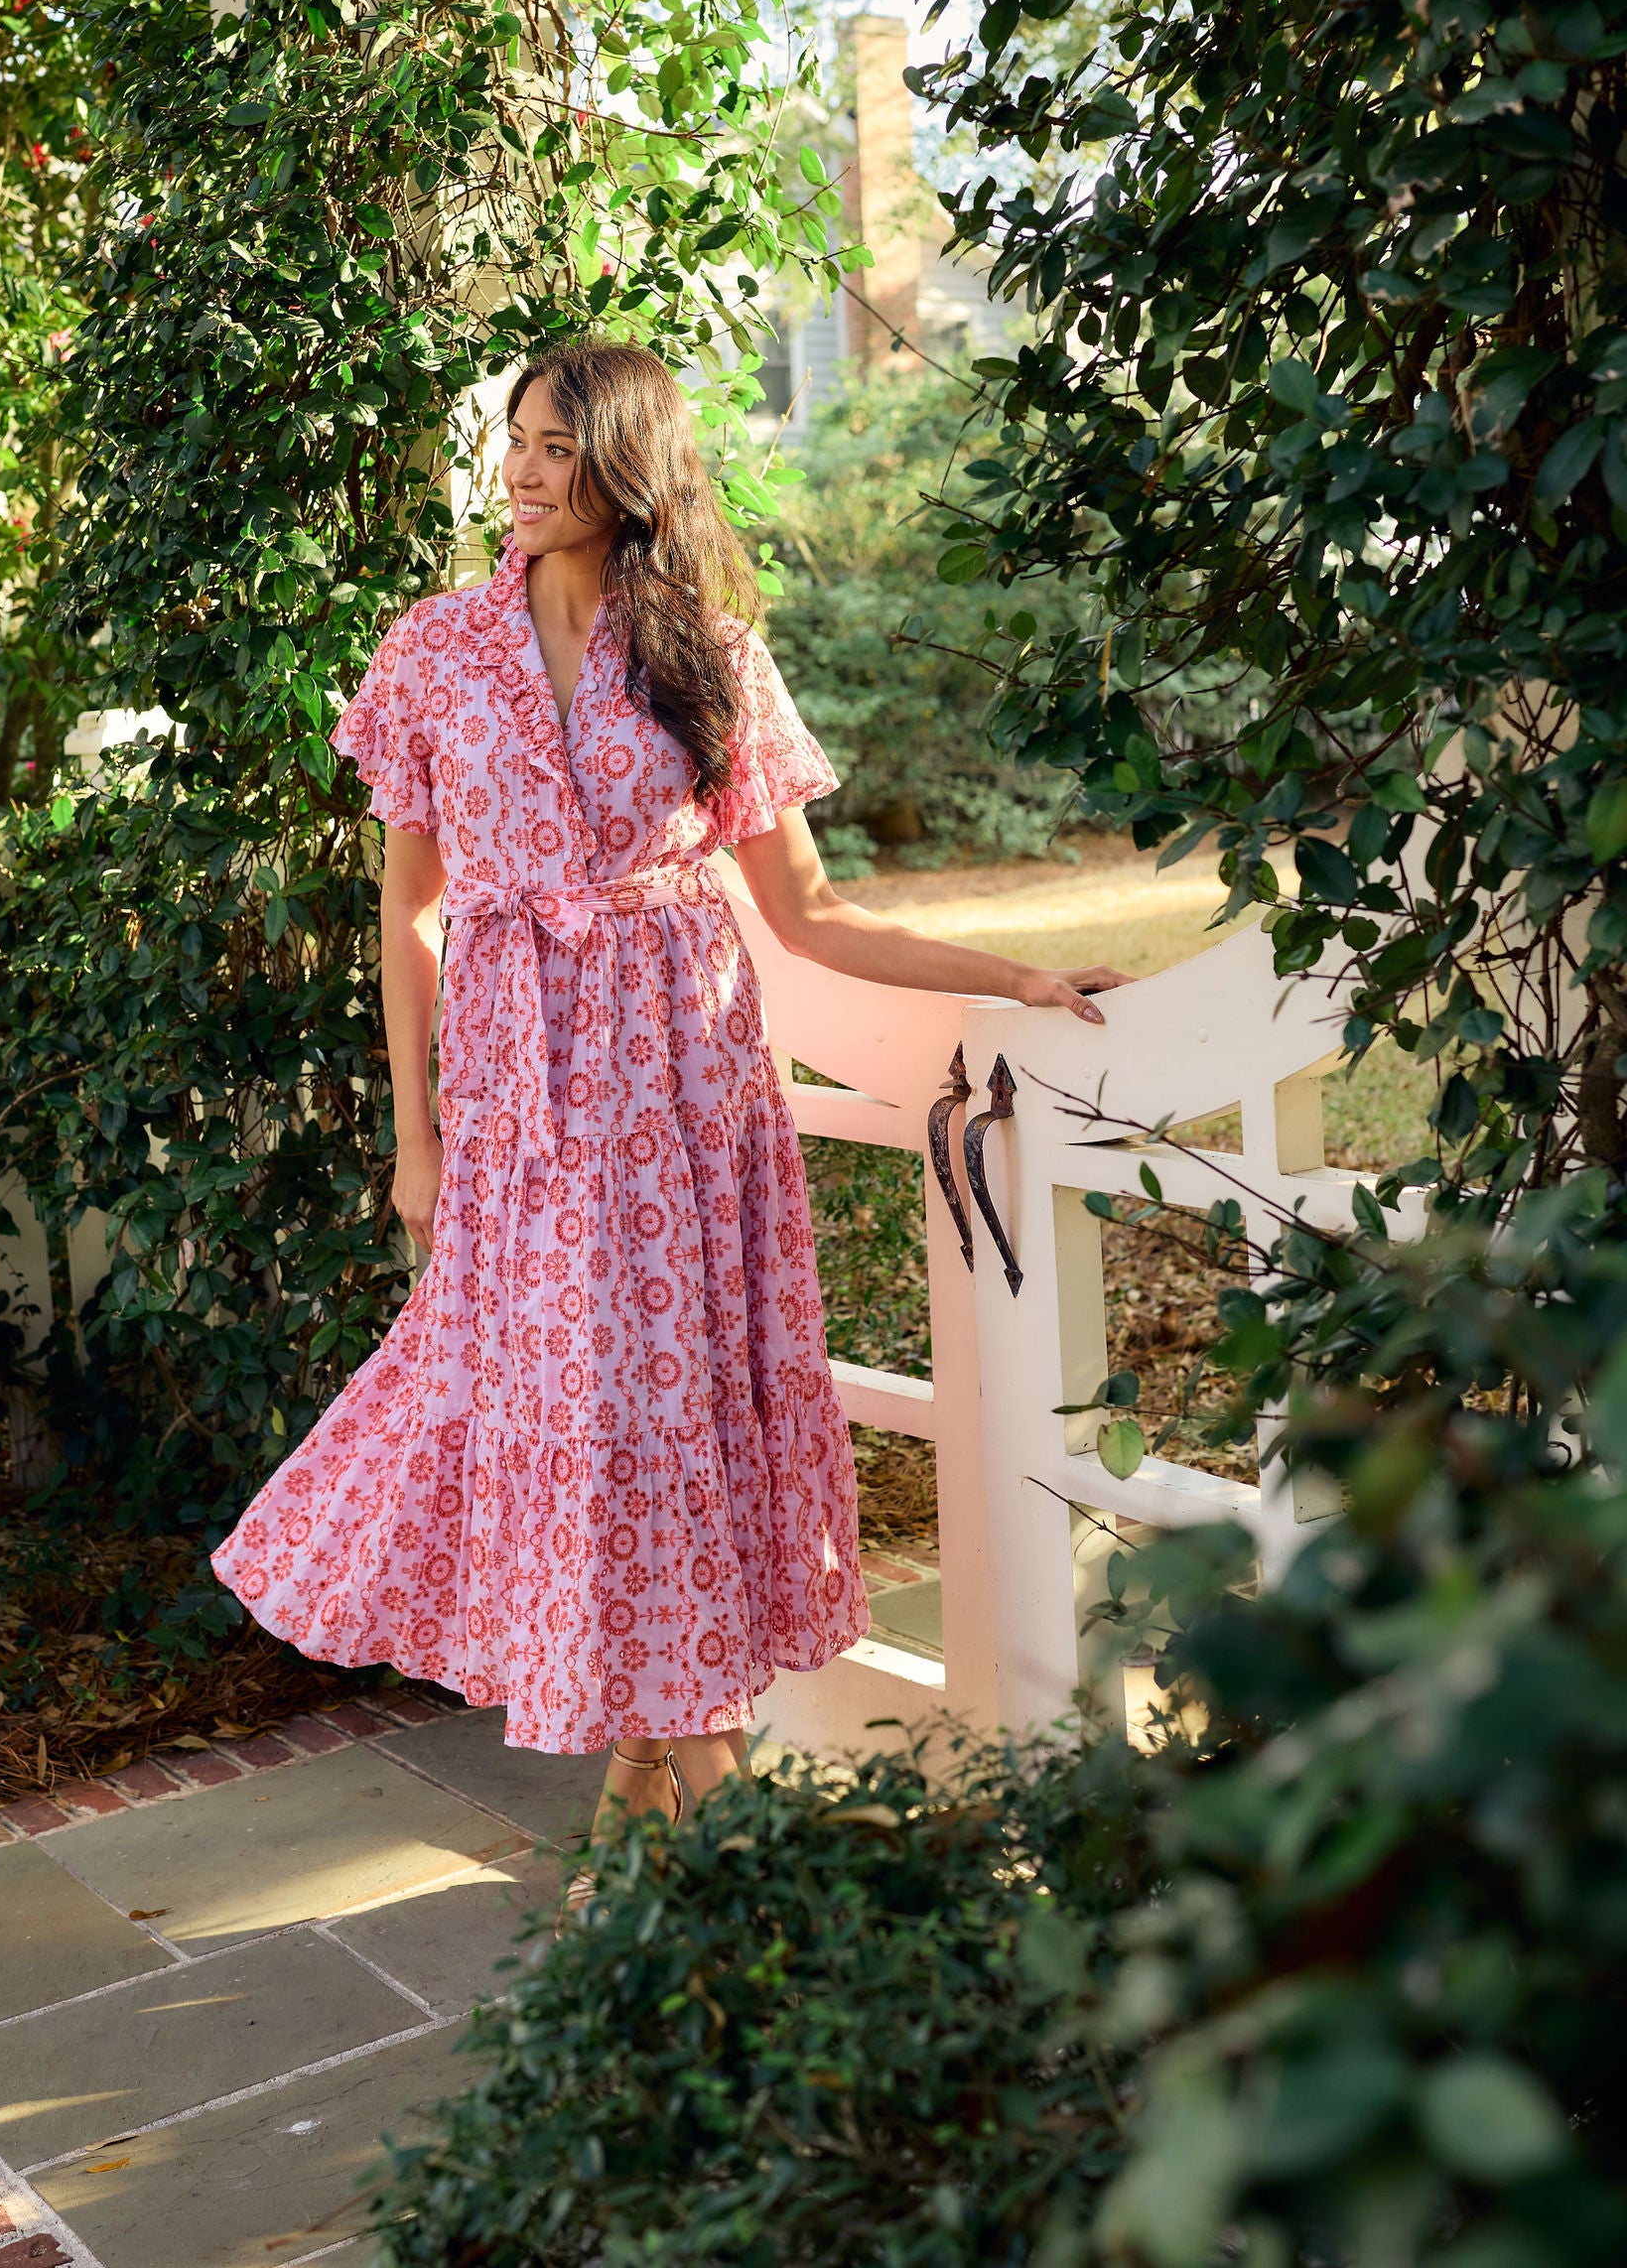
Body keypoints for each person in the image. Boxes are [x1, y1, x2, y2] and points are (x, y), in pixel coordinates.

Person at [209, 336, 1125, 1876]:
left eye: (555, 447)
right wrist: (415, 1143)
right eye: (514, 439)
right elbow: (410, 916)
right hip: (520, 1107)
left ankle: (676, 1858)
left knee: (663, 1422)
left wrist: (1010, 976)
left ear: (624, 469)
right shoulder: (432, 653)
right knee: (572, 1419)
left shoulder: (711, 653)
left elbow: (815, 917)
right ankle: (704, 1860)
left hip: (686, 1098)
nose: (520, 468)